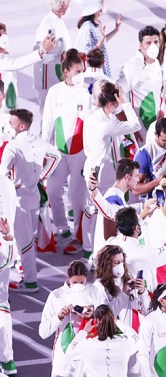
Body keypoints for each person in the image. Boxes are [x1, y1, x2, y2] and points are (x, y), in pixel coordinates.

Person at [1, 108, 61, 293]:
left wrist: (12, 185)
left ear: (21, 126)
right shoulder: (39, 141)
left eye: (11, 123)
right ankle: (27, 277)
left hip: (18, 200)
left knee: (23, 240)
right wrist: (41, 177)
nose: (8, 126)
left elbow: (2, 174)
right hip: (34, 195)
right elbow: (56, 157)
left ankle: (30, 282)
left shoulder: (13, 146)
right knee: (28, 239)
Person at [41, 48, 89, 249]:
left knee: (77, 196)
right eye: (77, 71)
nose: (81, 75)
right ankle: (62, 228)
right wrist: (43, 149)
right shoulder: (55, 92)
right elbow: (48, 122)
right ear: (66, 71)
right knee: (52, 191)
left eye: (83, 71)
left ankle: (79, 234)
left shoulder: (87, 92)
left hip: (81, 153)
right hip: (59, 153)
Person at [83, 81, 141, 191]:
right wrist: (124, 102)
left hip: (91, 169)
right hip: (103, 176)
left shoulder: (91, 115)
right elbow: (136, 125)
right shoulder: (107, 124)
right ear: (110, 105)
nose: (118, 106)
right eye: (116, 104)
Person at [117, 26, 163, 137]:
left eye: (156, 42)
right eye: (148, 43)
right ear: (140, 45)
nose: (153, 46)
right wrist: (129, 126)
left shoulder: (156, 63)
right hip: (139, 131)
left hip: (155, 127)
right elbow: (117, 94)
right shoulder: (132, 66)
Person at [33, 0, 72, 109]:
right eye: (60, 3)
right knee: (47, 114)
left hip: (57, 75)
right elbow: (37, 53)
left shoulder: (59, 21)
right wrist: (60, 57)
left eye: (66, 2)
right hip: (46, 79)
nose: (64, 6)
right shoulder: (48, 24)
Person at [74, 0, 121, 77]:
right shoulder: (88, 27)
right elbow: (90, 52)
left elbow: (103, 42)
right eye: (102, 3)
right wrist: (102, 37)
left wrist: (116, 29)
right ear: (97, 9)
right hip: (95, 67)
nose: (104, 5)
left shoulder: (96, 24)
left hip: (100, 64)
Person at [0, 217, 16, 376]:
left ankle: (7, 360)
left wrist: (8, 237)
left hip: (0, 301)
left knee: (3, 326)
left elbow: (9, 260)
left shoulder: (3, 243)